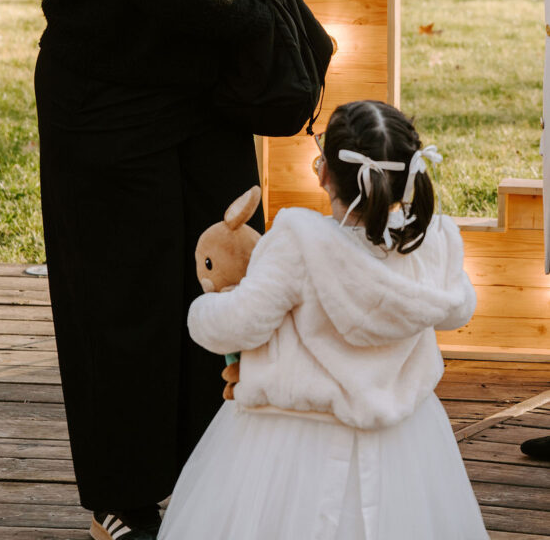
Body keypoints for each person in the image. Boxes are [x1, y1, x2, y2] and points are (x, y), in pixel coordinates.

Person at [34, 0, 328, 540]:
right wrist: (280, 42)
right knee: (126, 304)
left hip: (204, 101)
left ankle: (213, 480)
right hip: (110, 111)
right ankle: (123, 499)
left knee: (226, 282)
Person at [157, 100, 488, 540]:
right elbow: (459, 308)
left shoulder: (298, 242)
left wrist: (207, 306)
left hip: (292, 437)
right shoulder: (431, 244)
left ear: (323, 174)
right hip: (404, 438)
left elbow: (238, 325)